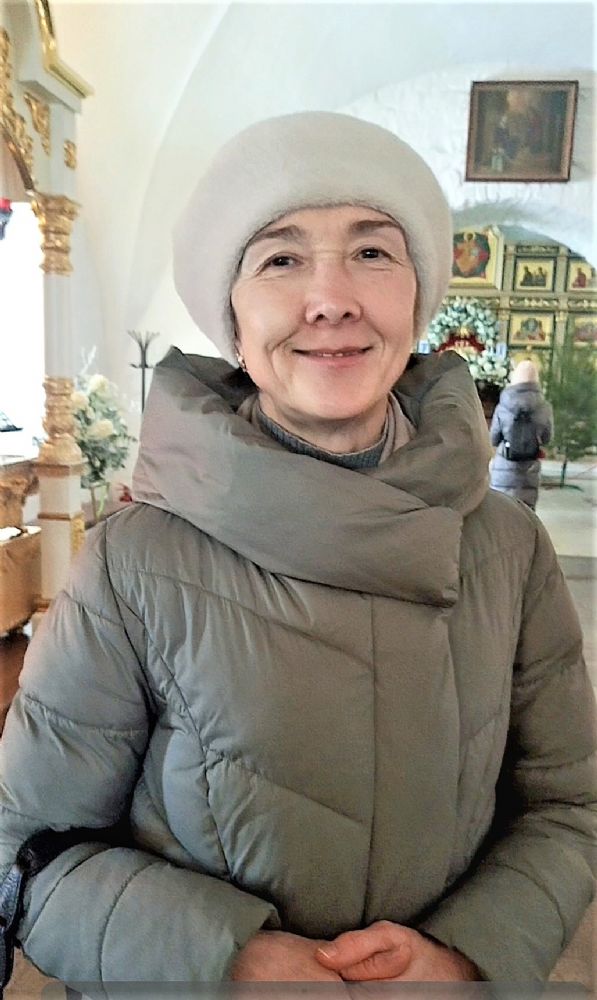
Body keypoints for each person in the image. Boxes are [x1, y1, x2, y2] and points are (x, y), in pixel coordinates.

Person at [0, 112, 595, 990]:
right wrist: (226, 959)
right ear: (233, 322)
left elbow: (567, 805)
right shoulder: (134, 562)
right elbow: (29, 854)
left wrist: (465, 957)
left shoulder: (508, 550)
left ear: (417, 298)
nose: (331, 298)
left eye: (372, 251)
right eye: (279, 259)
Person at [489, 359, 553, 510]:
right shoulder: (545, 407)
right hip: (530, 469)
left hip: (504, 466)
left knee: (500, 510)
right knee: (526, 512)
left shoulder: (503, 406)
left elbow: (494, 438)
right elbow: (547, 438)